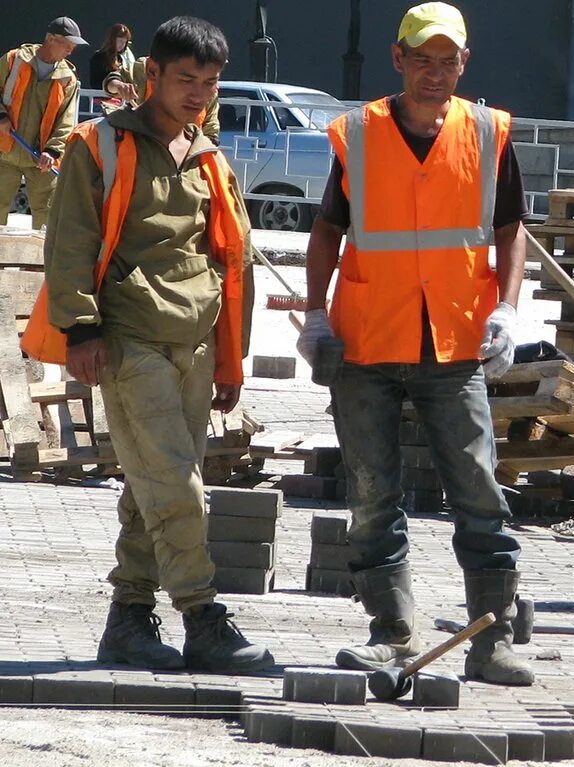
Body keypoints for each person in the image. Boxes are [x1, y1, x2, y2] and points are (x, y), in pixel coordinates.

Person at [297, 1, 533, 686]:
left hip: (456, 339)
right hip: (367, 341)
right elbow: (326, 232)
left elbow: (512, 227)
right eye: (421, 60)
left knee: (479, 489)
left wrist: (511, 309)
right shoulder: (361, 135)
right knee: (373, 493)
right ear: (398, 60)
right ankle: (391, 631)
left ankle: (492, 638)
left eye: (448, 60)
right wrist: (315, 315)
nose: (435, 73)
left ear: (465, 63)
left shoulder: (488, 133)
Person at [34, 16, 271, 674]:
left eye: (210, 82)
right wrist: (81, 329)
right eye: (185, 79)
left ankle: (130, 619)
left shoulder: (210, 160)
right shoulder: (99, 146)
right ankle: (202, 614)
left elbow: (231, 262)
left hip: (193, 345)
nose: (197, 93)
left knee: (149, 488)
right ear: (152, 76)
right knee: (178, 486)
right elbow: (71, 241)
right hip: (128, 340)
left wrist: (231, 359)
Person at [0, 17, 85, 230]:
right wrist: (1, 117)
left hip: (41, 159)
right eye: (67, 45)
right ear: (51, 40)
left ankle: (42, 262)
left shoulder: (68, 79)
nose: (70, 51)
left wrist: (53, 151)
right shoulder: (13, 60)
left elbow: (66, 121)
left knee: (48, 215)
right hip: (4, 151)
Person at [104, 53, 220, 144]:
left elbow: (211, 131)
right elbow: (111, 82)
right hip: (145, 147)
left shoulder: (210, 92)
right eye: (186, 80)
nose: (196, 96)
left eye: (209, 81)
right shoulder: (144, 69)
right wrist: (119, 86)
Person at [89, 23, 133, 90]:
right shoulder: (98, 56)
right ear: (112, 39)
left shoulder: (119, 58)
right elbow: (95, 83)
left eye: (125, 42)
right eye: (120, 40)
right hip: (100, 96)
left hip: (117, 97)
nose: (122, 44)